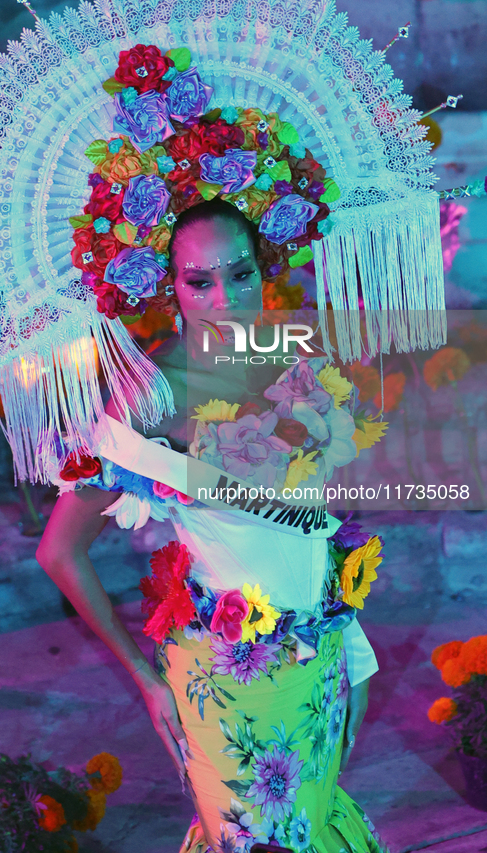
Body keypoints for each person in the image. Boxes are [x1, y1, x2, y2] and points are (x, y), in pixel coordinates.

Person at [36, 200, 384, 853]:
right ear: (169, 286)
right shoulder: (151, 394)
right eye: (200, 281)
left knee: (313, 825)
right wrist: (145, 682)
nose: (226, 298)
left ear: (264, 270)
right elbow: (59, 551)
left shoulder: (295, 361)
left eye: (241, 274)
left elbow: (311, 526)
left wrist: (353, 650)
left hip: (316, 662)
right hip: (226, 680)